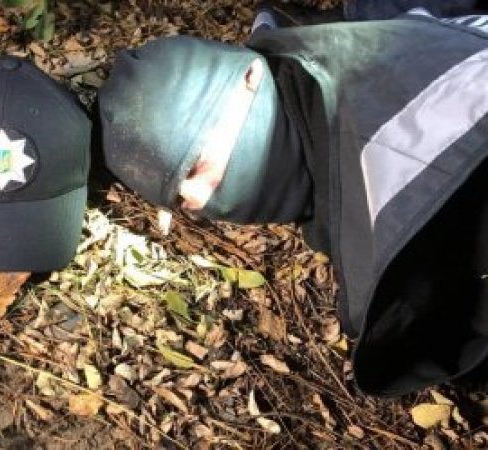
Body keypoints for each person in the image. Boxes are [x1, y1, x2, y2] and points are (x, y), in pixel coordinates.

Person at [97, 3, 488, 395]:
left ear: (249, 77)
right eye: (181, 201)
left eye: (195, 164)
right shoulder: (331, 48)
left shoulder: (408, 157)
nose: (199, 198)